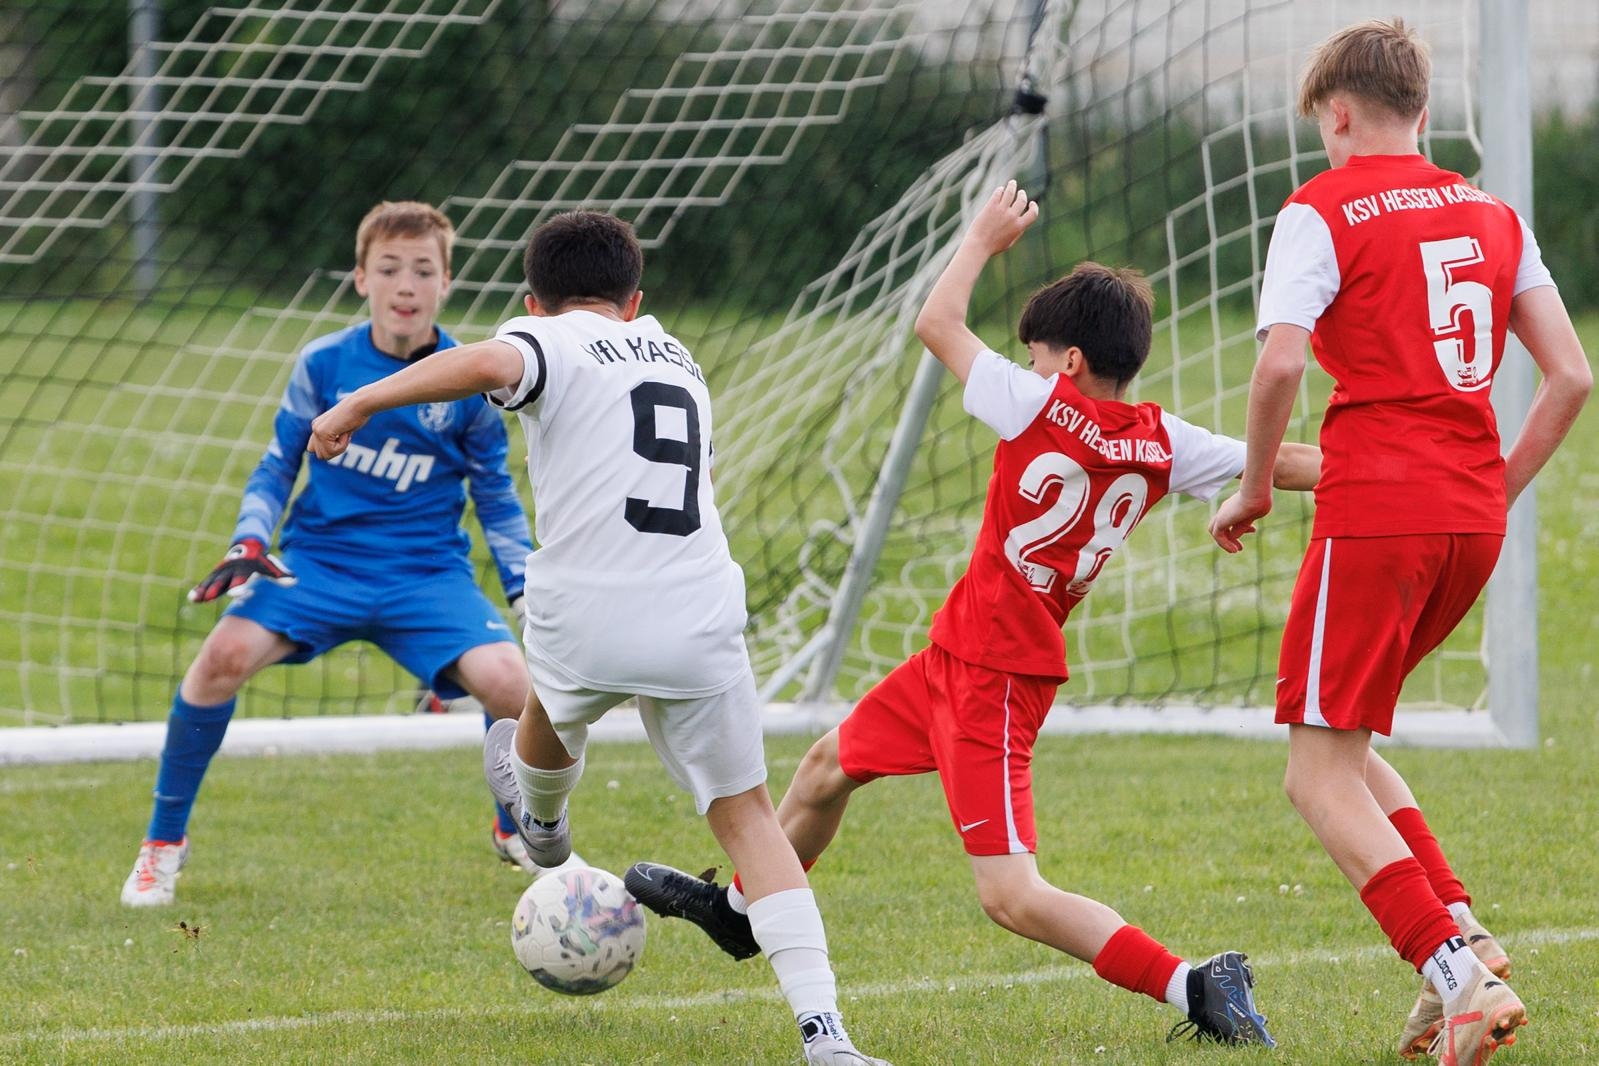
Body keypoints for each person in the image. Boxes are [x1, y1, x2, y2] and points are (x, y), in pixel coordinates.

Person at [626, 181, 1320, 1047]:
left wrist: (981, 240)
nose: (1026, 366)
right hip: (958, 655)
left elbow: (936, 322)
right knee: (826, 769)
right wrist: (1392, 468)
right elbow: (1285, 460)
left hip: (997, 674)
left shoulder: (1036, 404)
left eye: (1034, 354)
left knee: (1009, 895)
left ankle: (1194, 985)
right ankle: (739, 912)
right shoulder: (1162, 440)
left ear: (1067, 361)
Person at [308, 210, 888, 1066]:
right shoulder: (678, 357)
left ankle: (541, 824)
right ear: (635, 299)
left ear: (532, 302)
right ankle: (824, 1033)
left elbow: (486, 362)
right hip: (696, 609)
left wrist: (359, 400)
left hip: (585, 611)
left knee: (548, 705)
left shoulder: (545, 340)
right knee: (750, 822)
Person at [1205, 19, 1591, 1066]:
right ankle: (1464, 937)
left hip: (1377, 513)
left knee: (1314, 774)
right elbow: (1571, 376)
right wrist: (1491, 490)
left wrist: (1252, 488)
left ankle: (1456, 975)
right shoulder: (1493, 213)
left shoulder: (1320, 207)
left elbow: (1280, 365)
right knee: (1348, 749)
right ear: (1421, 111)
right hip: (1470, 523)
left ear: (1336, 115)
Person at [121, 200, 552, 907]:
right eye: (389, 269)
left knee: (512, 685)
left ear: (447, 282)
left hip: (424, 576)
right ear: (360, 278)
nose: (405, 285)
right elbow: (275, 467)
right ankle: (162, 845)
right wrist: (249, 539)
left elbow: (496, 496)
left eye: (423, 270)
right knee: (219, 660)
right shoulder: (323, 364)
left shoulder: (469, 381)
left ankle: (515, 828)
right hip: (318, 567)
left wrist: (523, 587)